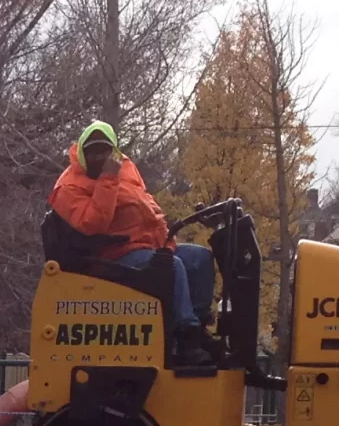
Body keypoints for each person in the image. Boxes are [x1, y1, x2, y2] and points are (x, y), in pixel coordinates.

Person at [41, 120, 217, 365]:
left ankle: (197, 331)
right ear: (82, 153)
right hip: (111, 256)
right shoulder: (69, 187)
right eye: (92, 151)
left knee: (200, 259)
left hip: (147, 247)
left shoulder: (127, 169)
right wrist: (108, 179)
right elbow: (94, 224)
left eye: (104, 150)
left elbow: (149, 210)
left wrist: (166, 242)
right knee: (171, 266)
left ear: (113, 150)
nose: (99, 156)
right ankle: (187, 339)